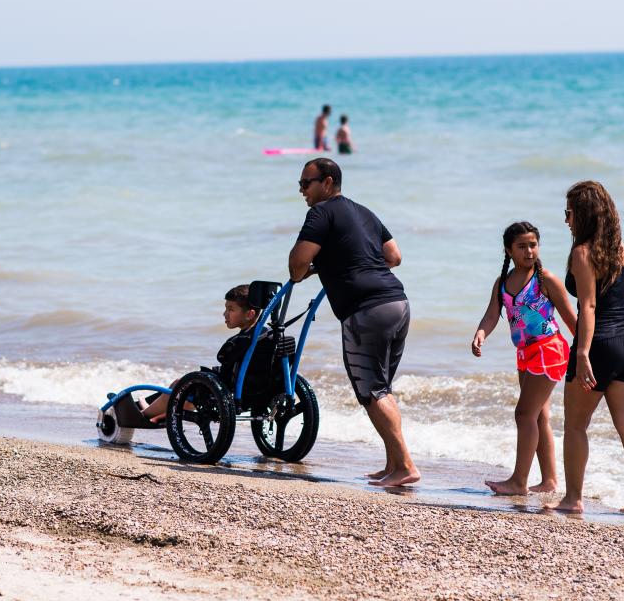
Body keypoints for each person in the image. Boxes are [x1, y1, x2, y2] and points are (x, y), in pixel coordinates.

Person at [287, 158, 417, 487]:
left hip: (366, 311)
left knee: (372, 390)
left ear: (327, 183)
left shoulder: (320, 213)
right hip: (397, 304)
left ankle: (404, 466)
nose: (302, 191)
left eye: (306, 183)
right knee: (381, 388)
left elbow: (297, 266)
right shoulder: (364, 212)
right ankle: (392, 465)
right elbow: (394, 257)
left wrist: (315, 267)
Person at [549, 181, 624, 517]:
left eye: (569, 213)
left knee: (576, 425)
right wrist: (618, 338)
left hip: (598, 344)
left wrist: (582, 355)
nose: (566, 220)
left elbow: (588, 306)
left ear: (584, 215)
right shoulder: (623, 251)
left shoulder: (582, 253)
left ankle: (573, 499)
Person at [471, 221, 576, 496]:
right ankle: (550, 480)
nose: (529, 251)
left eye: (533, 245)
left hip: (549, 349)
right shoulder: (503, 284)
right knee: (538, 416)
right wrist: (481, 333)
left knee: (523, 414)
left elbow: (571, 319)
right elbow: (492, 315)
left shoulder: (546, 280)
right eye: (522, 246)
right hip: (524, 353)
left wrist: (587, 353)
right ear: (508, 250)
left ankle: (519, 481)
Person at [140, 285, 260, 421]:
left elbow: (225, 364)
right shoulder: (265, 336)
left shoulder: (240, 341)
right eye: (226, 308)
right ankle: (156, 412)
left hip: (231, 391)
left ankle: (144, 415)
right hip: (256, 391)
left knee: (180, 385)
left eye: (230, 309)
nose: (225, 314)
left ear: (250, 314)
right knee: (190, 387)